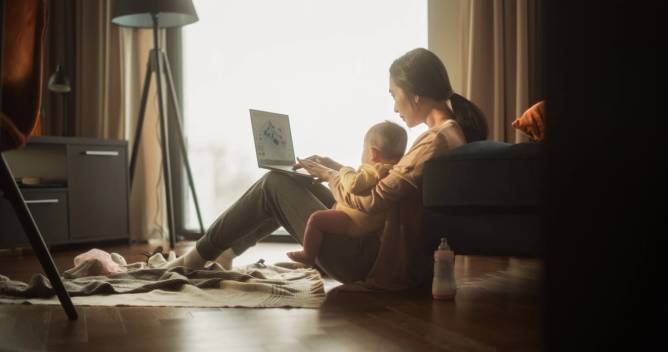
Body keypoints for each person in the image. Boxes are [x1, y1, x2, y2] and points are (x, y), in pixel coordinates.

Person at [166, 47, 488, 290]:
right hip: (373, 243)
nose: (394, 106)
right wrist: (332, 168)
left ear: (415, 95)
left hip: (367, 262)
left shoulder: (434, 141)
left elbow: (375, 199)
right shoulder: (450, 133)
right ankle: (225, 251)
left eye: (395, 95)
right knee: (291, 179)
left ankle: (197, 257)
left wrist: (333, 177)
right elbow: (384, 184)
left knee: (274, 185)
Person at [286, 121, 407, 266]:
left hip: (353, 222)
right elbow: (362, 184)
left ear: (372, 153)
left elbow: (352, 184)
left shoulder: (374, 170)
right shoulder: (391, 171)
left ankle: (308, 255)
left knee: (316, 219)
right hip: (366, 223)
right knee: (329, 209)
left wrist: (343, 170)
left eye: (363, 148)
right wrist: (333, 166)